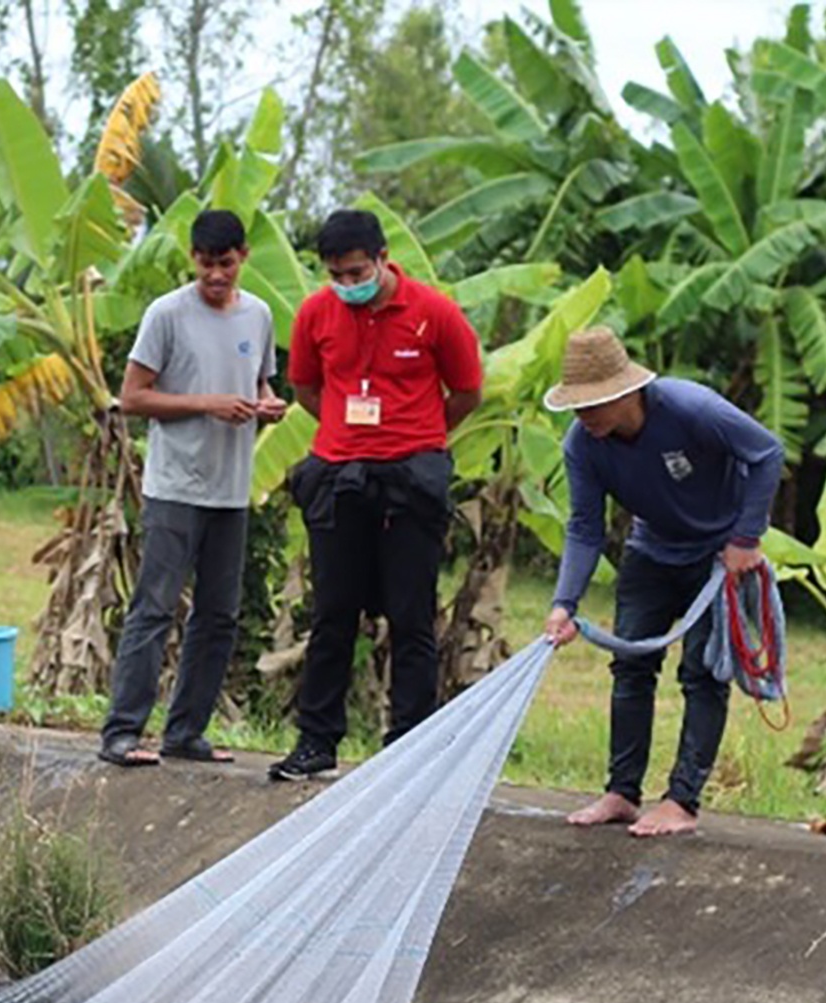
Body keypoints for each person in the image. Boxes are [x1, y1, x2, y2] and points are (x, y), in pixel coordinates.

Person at [541, 327, 784, 837]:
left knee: (702, 674)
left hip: (718, 556)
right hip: (651, 550)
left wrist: (746, 537)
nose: (585, 418)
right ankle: (622, 792)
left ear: (625, 391)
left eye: (593, 405)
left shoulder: (691, 408)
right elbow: (585, 526)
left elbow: (766, 453)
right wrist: (565, 602)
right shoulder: (583, 444)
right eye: (577, 408)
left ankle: (682, 801)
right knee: (630, 665)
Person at [268, 209, 483, 781]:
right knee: (333, 613)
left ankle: (410, 746)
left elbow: (466, 390)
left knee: (411, 615)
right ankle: (317, 740)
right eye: (336, 274)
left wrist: (418, 434)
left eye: (357, 271)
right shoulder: (317, 313)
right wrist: (347, 430)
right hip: (339, 473)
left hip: (411, 476)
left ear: (384, 258)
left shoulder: (433, 312)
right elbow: (307, 387)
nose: (347, 284)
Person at [98, 209, 285, 768]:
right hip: (176, 485)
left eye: (225, 265)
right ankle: (122, 731)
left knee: (218, 614)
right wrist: (207, 405)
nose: (215, 276)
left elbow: (260, 384)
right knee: (154, 608)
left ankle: (186, 732)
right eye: (205, 265)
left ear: (243, 258)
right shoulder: (167, 314)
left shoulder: (259, 315)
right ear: (192, 259)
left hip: (231, 489)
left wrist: (267, 406)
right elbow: (132, 398)